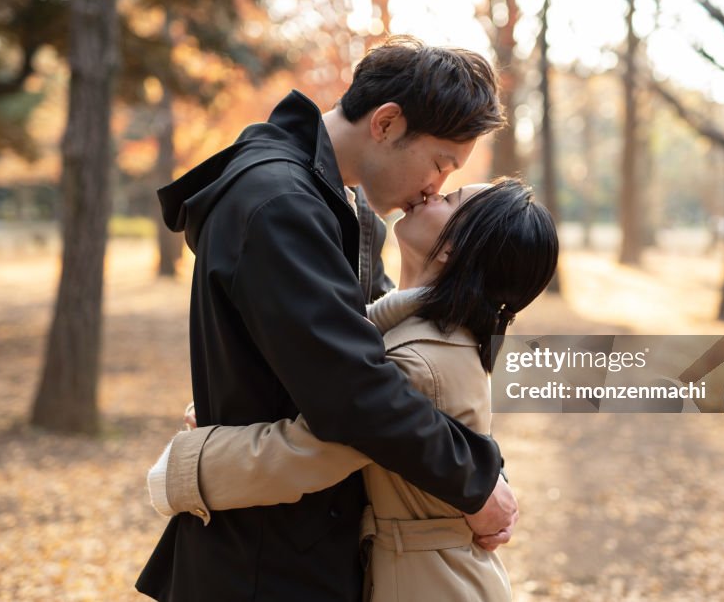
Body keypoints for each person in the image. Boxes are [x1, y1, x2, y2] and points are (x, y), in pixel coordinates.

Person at [136, 37, 519, 602]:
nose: (437, 185)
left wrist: (487, 469)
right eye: (441, 162)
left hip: (314, 544)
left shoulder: (343, 205)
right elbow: (356, 391)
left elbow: (390, 356)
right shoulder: (279, 203)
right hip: (263, 566)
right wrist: (475, 481)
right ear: (387, 123)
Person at [151, 179, 560, 602]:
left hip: (432, 584)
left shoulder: (420, 360)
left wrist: (183, 470)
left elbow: (304, 453)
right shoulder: (433, 333)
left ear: (451, 250)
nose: (430, 193)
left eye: (450, 199)